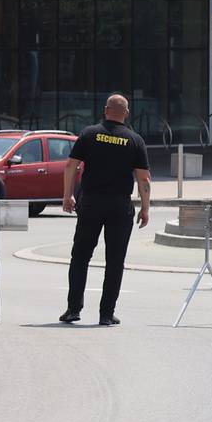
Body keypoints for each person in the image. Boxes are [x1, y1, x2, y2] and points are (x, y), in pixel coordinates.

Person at [60, 93, 151, 326]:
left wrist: (68, 194)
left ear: (105, 110)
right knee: (114, 260)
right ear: (126, 114)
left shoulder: (89, 134)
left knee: (80, 256)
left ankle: (73, 309)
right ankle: (106, 314)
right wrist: (145, 208)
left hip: (90, 202)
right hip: (120, 206)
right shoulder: (134, 140)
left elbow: (71, 165)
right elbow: (144, 179)